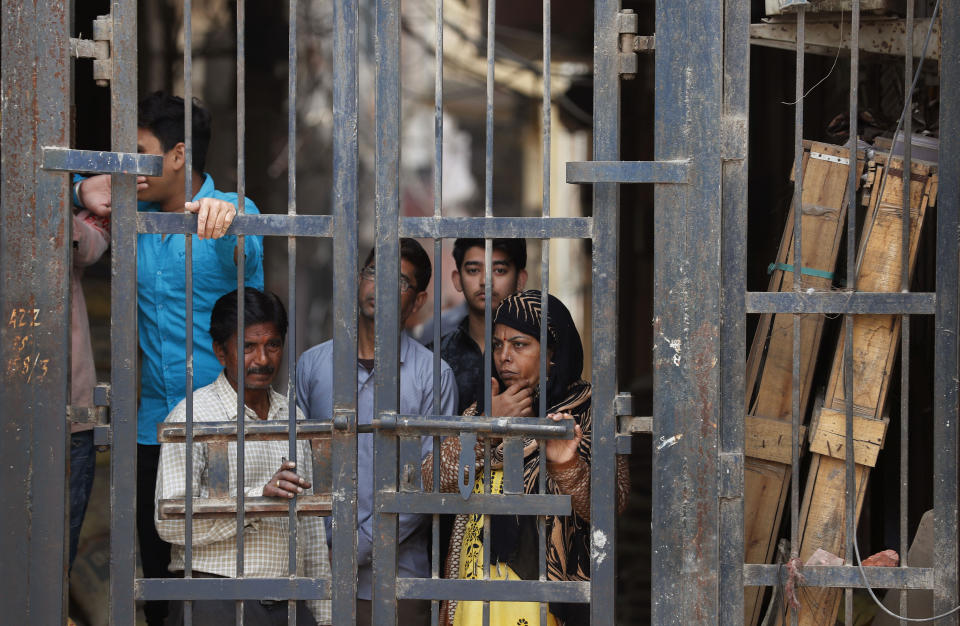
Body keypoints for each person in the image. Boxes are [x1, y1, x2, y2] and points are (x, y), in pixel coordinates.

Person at [74, 91, 264, 626]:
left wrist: (226, 216)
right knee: (159, 584)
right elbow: (58, 200)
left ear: (178, 154)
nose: (130, 166)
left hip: (225, 430)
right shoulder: (133, 217)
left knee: (222, 581)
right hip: (152, 431)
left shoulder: (234, 210)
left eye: (140, 151)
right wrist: (76, 186)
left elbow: (245, 247)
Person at [421, 290, 631, 626]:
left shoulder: (590, 413)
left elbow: (610, 506)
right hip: (475, 593)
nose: (504, 356)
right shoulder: (485, 406)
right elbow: (429, 481)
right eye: (498, 344)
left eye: (519, 345)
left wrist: (566, 465)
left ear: (552, 353)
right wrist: (486, 427)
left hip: (550, 599)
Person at [297, 238, 458, 626]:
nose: (380, 287)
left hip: (398, 579)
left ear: (417, 301)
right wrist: (324, 547)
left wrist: (358, 545)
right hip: (318, 573)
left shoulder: (433, 376)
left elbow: (432, 478)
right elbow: (297, 460)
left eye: (399, 281)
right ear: (358, 279)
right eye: (373, 273)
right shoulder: (314, 365)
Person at [155, 288, 330, 625]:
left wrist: (325, 615)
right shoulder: (193, 415)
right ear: (221, 351)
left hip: (288, 603)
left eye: (273, 345)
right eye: (248, 347)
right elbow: (169, 522)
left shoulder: (291, 416)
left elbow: (309, 527)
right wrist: (255, 501)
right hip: (214, 599)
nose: (263, 360)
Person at [430, 238, 528, 414]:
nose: (485, 280)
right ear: (457, 279)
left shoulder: (538, 356)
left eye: (499, 270)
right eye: (473, 270)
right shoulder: (435, 356)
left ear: (520, 279)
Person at [67, 208, 111, 570]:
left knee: (55, 557)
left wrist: (69, 191)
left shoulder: (70, 198)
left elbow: (89, 246)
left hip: (70, 418)